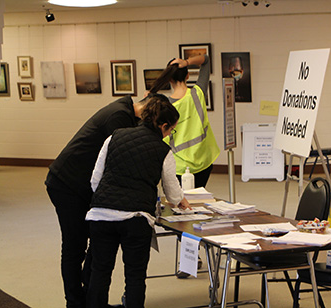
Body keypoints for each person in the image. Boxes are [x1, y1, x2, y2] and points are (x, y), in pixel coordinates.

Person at [45, 95, 150, 308]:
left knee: (98, 239)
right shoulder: (119, 116)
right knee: (75, 247)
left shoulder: (125, 112)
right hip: (67, 184)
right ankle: (75, 303)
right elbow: (119, 161)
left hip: (86, 186)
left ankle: (91, 301)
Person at [85, 95, 190, 308]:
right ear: (163, 125)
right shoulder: (163, 151)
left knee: (100, 271)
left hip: (101, 216)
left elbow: (95, 179)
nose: (170, 134)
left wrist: (108, 200)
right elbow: (172, 192)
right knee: (134, 275)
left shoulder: (114, 137)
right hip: (135, 220)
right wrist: (182, 201)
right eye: (171, 130)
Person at [149, 54, 220, 188]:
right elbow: (206, 60)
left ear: (169, 79)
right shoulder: (198, 93)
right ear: (187, 76)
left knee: (180, 203)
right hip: (203, 160)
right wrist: (187, 62)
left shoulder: (164, 105)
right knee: (198, 199)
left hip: (179, 166)